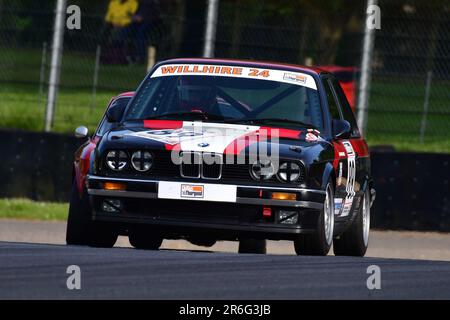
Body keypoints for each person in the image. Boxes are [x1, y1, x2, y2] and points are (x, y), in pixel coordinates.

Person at [102, 0, 139, 64]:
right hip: (113, 25)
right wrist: (112, 23)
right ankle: (106, 56)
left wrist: (121, 23)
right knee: (104, 32)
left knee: (117, 34)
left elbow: (131, 17)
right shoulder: (113, 3)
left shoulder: (133, 3)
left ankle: (117, 58)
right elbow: (108, 18)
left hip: (126, 25)